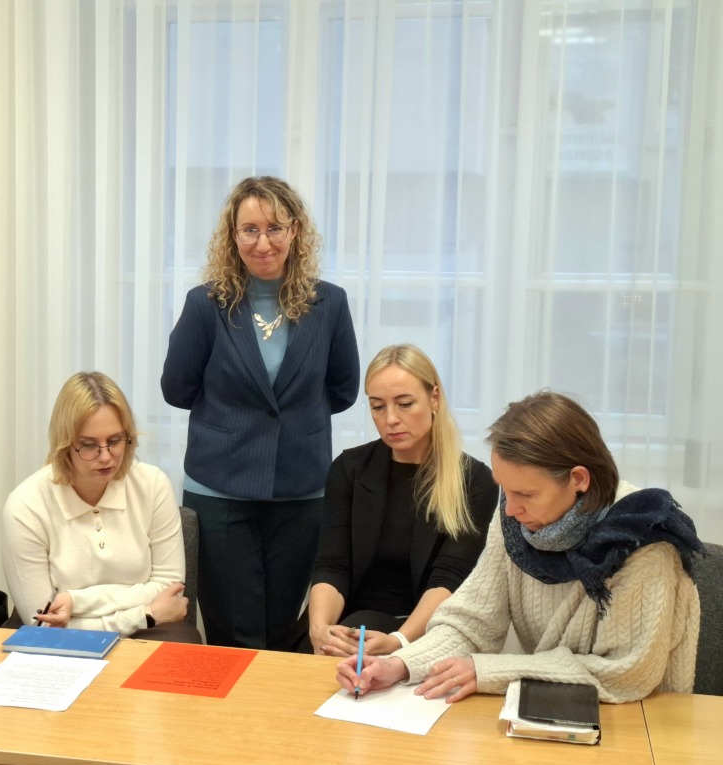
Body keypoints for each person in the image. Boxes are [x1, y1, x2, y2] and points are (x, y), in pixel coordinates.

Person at [337, 391, 703, 703]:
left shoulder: (640, 537)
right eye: (505, 490)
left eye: (525, 494)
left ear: (578, 478)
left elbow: (624, 674)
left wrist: (490, 671)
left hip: (644, 722)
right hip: (551, 708)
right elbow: (470, 623)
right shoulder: (517, 520)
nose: (510, 509)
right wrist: (400, 664)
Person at [161, 175, 360, 650]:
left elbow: (344, 389)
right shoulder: (206, 304)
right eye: (249, 229)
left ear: (295, 231)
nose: (263, 242)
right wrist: (234, 420)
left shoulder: (330, 303)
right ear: (233, 235)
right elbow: (177, 388)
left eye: (275, 228)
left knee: (281, 628)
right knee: (234, 632)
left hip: (300, 489)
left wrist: (292, 422)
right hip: (220, 488)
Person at [299, 344, 498, 656]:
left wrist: (399, 640)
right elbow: (332, 565)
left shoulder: (474, 480)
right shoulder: (350, 469)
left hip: (420, 630)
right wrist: (320, 629)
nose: (390, 419)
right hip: (347, 623)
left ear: (434, 398)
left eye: (405, 404)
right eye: (378, 407)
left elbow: (448, 580)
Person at [1, 372, 202, 643]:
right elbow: (44, 624)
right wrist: (144, 614)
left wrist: (75, 600)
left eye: (115, 441)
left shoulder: (153, 484)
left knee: (183, 645)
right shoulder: (25, 505)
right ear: (64, 444)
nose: (106, 457)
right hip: (61, 636)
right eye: (88, 445)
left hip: (149, 628)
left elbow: (170, 588)